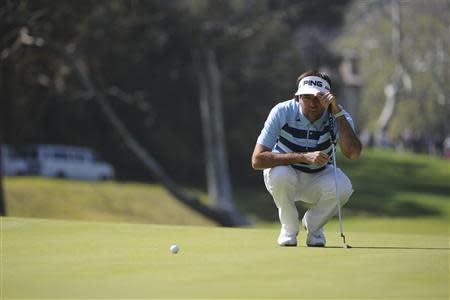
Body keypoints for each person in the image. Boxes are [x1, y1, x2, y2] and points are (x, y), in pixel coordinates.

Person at [251, 70, 362, 247]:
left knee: (343, 187)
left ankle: (314, 228)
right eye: (307, 97)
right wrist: (303, 157)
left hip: (318, 177)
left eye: (319, 97)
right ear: (298, 97)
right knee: (280, 174)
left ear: (328, 98)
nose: (313, 103)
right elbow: (257, 160)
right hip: (285, 175)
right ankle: (289, 229)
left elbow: (353, 153)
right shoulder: (282, 111)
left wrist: (337, 112)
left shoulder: (339, 116)